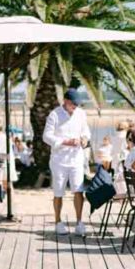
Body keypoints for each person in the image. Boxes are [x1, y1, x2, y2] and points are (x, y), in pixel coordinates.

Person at [43, 88, 92, 236]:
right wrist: (65, 142)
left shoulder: (81, 113)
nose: (75, 107)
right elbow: (47, 136)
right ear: (65, 101)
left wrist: (84, 139)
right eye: (73, 104)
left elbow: (86, 131)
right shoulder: (54, 115)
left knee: (78, 190)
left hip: (77, 159)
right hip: (59, 160)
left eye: (77, 104)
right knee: (59, 191)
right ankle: (58, 222)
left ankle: (79, 223)